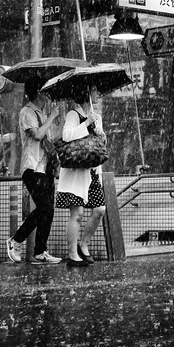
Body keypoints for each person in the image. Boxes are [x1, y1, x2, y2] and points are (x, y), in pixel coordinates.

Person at [6, 78, 62, 264]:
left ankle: (41, 250)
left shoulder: (42, 113)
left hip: (46, 168)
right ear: (39, 92)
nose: (48, 96)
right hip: (32, 167)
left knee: (49, 210)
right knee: (44, 207)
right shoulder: (26, 112)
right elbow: (37, 135)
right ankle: (16, 240)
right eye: (45, 92)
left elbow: (51, 139)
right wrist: (52, 118)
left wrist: (57, 121)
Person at [55, 86, 107, 267]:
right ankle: (72, 255)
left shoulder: (96, 116)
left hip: (92, 172)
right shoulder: (73, 114)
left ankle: (84, 244)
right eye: (95, 92)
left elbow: (100, 143)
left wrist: (99, 131)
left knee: (100, 210)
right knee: (76, 213)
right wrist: (86, 124)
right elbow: (67, 135)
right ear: (87, 95)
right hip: (76, 174)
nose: (98, 95)